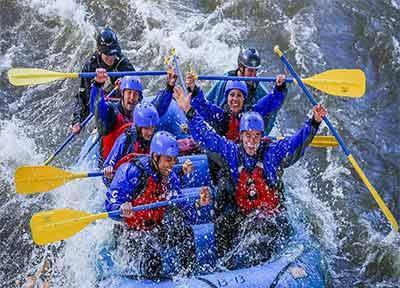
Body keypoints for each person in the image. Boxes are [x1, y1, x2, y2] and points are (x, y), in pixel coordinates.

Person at [174, 85, 327, 268]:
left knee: (258, 229)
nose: (251, 141)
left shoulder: (272, 153)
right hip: (245, 214)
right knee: (222, 226)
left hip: (272, 218)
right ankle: (222, 269)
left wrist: (314, 122)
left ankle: (260, 270)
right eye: (247, 136)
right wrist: (189, 111)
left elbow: (295, 142)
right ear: (241, 136)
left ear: (262, 137)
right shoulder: (232, 152)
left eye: (256, 136)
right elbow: (207, 137)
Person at [105, 131, 212, 279]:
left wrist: (199, 204)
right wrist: (120, 208)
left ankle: (189, 279)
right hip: (130, 233)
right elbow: (110, 206)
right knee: (152, 260)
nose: (172, 165)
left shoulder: (171, 178)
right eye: (168, 160)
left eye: (174, 160)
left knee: (185, 233)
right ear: (155, 157)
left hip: (154, 228)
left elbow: (182, 208)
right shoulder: (131, 171)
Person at [92, 67, 177, 167]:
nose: (132, 97)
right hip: (111, 166)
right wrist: (98, 85)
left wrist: (170, 86)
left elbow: (158, 107)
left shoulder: (142, 113)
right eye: (129, 93)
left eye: (135, 94)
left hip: (135, 165)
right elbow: (97, 107)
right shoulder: (111, 112)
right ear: (122, 93)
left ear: (139, 97)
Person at [102, 103, 196, 185]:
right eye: (146, 128)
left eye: (152, 128)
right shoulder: (125, 140)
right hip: (129, 181)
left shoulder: (156, 138)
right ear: (139, 127)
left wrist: (181, 172)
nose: (150, 132)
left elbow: (165, 164)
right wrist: (108, 173)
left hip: (148, 179)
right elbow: (109, 165)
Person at [187, 73, 287, 143]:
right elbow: (202, 105)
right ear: (227, 98)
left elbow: (270, 102)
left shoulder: (252, 114)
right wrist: (193, 88)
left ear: (244, 98)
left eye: (239, 95)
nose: (235, 99)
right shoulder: (220, 116)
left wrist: (279, 87)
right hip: (224, 155)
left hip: (245, 153)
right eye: (232, 95)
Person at [70, 27, 135, 135]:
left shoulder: (123, 63)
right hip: (103, 109)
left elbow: (138, 93)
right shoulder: (90, 67)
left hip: (122, 107)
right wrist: (77, 120)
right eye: (107, 55)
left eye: (113, 53)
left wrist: (125, 85)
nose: (111, 58)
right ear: (99, 51)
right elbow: (83, 98)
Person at [205, 47, 280, 134]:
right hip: (222, 127)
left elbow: (272, 110)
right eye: (250, 71)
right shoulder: (224, 81)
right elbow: (207, 101)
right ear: (241, 67)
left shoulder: (259, 89)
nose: (253, 75)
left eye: (255, 71)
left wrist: (262, 135)